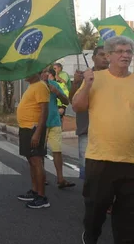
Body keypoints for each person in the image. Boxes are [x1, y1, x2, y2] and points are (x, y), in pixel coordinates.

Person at [72, 36, 134, 244]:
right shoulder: (95, 79)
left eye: (129, 51)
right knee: (95, 210)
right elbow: (78, 107)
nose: (126, 55)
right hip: (100, 159)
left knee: (127, 218)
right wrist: (87, 85)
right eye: (120, 51)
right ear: (108, 56)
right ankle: (90, 236)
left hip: (131, 161)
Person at [70, 46, 109, 180]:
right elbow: (73, 102)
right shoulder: (84, 76)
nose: (105, 57)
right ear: (93, 58)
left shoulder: (114, 77)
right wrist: (76, 83)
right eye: (101, 54)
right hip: (86, 130)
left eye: (107, 54)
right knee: (87, 172)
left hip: (108, 132)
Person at [16, 71, 50, 209]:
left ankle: (42, 197)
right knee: (31, 160)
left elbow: (44, 111)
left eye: (28, 70)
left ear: (36, 72)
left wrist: (37, 133)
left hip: (33, 129)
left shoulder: (41, 86)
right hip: (26, 129)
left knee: (36, 161)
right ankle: (35, 191)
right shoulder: (33, 86)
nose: (25, 73)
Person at [42, 68, 75, 189]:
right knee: (41, 152)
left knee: (57, 151)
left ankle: (60, 179)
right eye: (43, 72)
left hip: (54, 121)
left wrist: (57, 92)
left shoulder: (54, 84)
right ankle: (42, 177)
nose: (45, 74)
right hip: (41, 123)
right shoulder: (35, 86)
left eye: (47, 72)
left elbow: (66, 101)